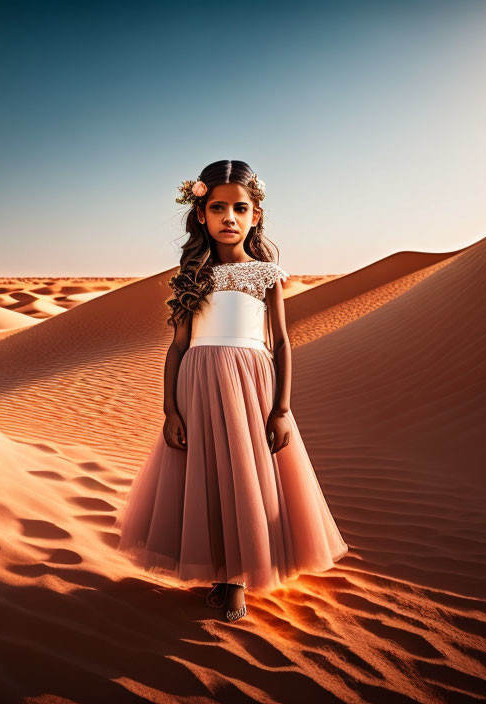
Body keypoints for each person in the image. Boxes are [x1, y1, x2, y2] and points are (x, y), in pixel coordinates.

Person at [116, 159, 349, 622]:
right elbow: (178, 346)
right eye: (217, 207)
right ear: (200, 214)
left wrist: (281, 409)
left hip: (252, 382)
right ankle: (218, 571)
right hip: (198, 383)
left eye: (240, 208)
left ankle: (238, 577)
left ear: (255, 215)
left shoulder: (266, 274)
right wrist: (170, 411)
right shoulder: (189, 275)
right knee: (207, 475)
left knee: (246, 474)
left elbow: (281, 342)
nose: (229, 218)